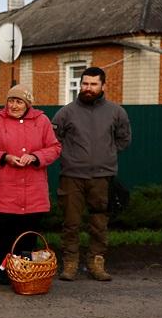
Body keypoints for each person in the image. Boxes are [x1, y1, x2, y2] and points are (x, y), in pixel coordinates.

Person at [51, 67, 132, 281]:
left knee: (99, 223)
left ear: (103, 86)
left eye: (93, 84)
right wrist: (71, 157)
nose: (88, 88)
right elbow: (53, 140)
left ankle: (96, 262)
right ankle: (70, 264)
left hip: (102, 177)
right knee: (71, 222)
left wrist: (106, 153)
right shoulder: (66, 112)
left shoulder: (116, 112)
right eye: (85, 83)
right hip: (72, 176)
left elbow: (124, 139)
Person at [0, 85, 62, 284]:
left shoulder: (42, 121)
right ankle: (1, 272)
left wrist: (35, 157)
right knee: (3, 235)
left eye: (19, 102)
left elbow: (54, 148)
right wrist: (5, 157)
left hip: (33, 190)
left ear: (28, 104)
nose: (14, 105)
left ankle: (25, 271)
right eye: (11, 101)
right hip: (4, 189)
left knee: (28, 236)